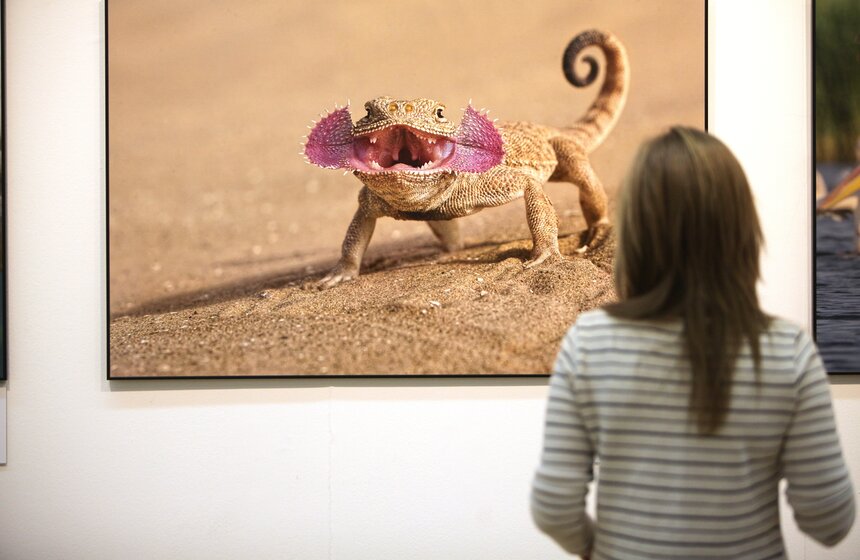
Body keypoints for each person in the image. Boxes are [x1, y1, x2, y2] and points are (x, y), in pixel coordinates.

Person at [530, 126, 855, 559]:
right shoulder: (786, 350)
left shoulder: (590, 343)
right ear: (741, 224)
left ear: (639, 229)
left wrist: (602, 549)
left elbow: (553, 508)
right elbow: (828, 522)